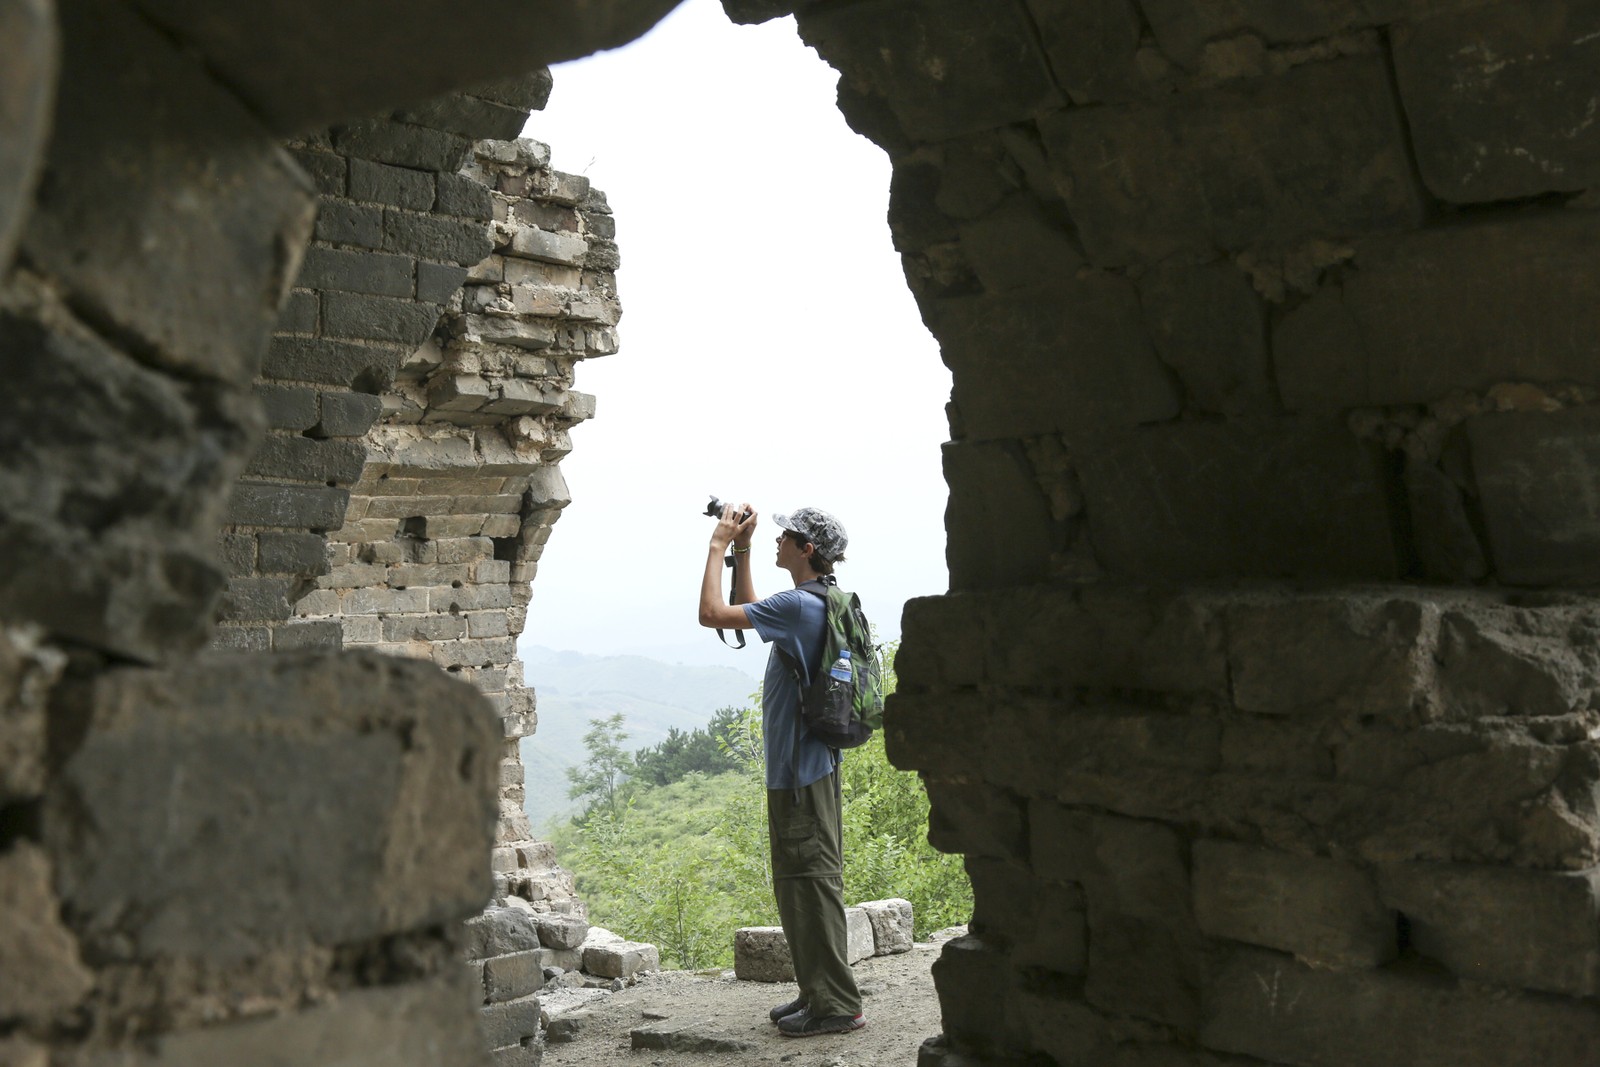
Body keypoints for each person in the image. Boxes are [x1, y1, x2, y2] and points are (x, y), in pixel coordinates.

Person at [698, 501, 866, 1038]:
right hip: (810, 764)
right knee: (802, 881)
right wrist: (744, 549)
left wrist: (718, 545)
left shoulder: (801, 605)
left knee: (810, 880)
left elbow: (714, 614)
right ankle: (817, 992)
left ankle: (837, 1005)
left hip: (801, 770)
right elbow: (753, 606)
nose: (777, 542)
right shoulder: (816, 601)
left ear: (806, 549)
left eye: (784, 537)